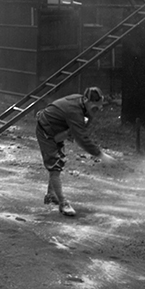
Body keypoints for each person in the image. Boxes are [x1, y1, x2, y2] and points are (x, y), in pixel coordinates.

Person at [35, 86, 116, 216]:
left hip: (58, 129)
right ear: (86, 100)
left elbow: (84, 125)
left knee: (58, 161)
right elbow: (82, 138)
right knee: (54, 166)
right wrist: (100, 154)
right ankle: (63, 203)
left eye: (99, 108)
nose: (97, 111)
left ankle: (51, 195)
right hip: (46, 131)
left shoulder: (82, 104)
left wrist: (74, 131)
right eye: (95, 108)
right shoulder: (74, 111)